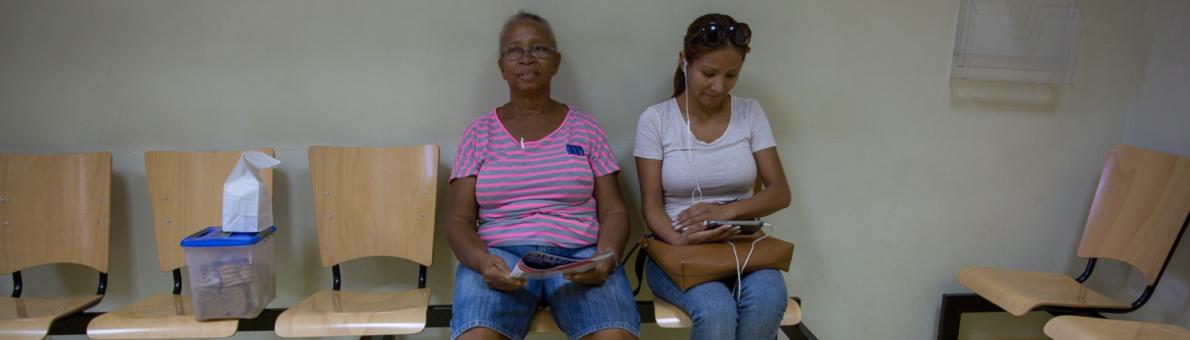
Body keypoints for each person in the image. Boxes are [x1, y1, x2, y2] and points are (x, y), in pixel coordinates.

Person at [446, 11, 640, 340]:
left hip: (580, 256)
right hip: (500, 257)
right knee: (476, 336)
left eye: (538, 48)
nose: (526, 58)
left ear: (556, 61)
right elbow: (458, 220)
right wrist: (482, 262)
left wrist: (606, 255)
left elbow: (614, 210)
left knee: (614, 336)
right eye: (515, 50)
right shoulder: (478, 133)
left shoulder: (586, 128)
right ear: (502, 66)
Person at [633, 13, 792, 340]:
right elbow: (650, 207)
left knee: (765, 302)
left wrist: (725, 212)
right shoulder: (656, 120)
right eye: (709, 73)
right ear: (684, 61)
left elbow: (780, 192)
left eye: (731, 75)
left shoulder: (750, 112)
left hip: (744, 248)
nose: (719, 86)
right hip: (679, 250)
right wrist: (678, 239)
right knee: (716, 310)